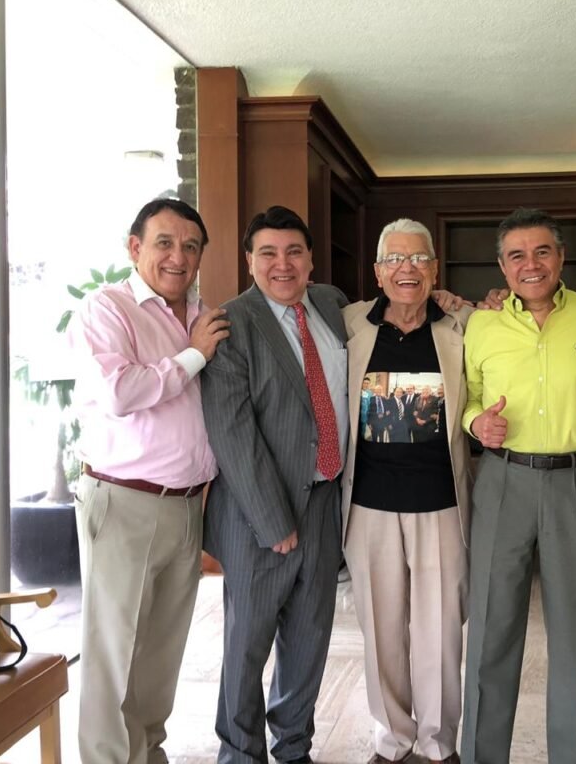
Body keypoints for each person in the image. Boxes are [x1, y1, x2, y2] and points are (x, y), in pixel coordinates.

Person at [70, 197, 230, 764]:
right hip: (123, 503)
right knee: (114, 652)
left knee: (160, 652)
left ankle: (148, 753)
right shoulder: (106, 309)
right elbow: (120, 392)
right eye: (164, 242)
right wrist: (192, 357)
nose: (177, 256)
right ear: (135, 248)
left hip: (187, 507)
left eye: (190, 246)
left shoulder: (201, 315)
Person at [461, 207, 576, 764]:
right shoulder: (481, 323)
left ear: (561, 257)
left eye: (542, 251)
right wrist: (477, 422)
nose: (531, 264)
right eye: (517, 255)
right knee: (492, 632)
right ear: (501, 266)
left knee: (573, 635)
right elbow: (468, 395)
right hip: (503, 481)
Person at [201, 205, 348, 764]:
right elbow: (232, 432)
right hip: (257, 515)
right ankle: (239, 753)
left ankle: (294, 748)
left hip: (325, 502)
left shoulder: (333, 306)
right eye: (268, 253)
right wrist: (272, 520)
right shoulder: (231, 325)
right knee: (246, 644)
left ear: (311, 259)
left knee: (309, 640)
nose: (282, 264)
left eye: (293, 252)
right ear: (249, 261)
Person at [340, 218, 473, 764]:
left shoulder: (463, 325)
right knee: (381, 628)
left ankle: (438, 746)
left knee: (440, 630)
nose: (407, 270)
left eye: (418, 259)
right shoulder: (349, 324)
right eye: (394, 260)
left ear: (435, 267)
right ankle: (393, 740)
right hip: (368, 503)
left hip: (440, 502)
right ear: (376, 272)